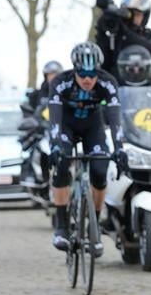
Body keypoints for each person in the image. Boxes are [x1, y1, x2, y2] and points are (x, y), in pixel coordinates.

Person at [48, 42, 128, 255]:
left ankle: (94, 225)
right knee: (62, 165)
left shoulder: (108, 82)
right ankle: (62, 226)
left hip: (93, 126)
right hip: (66, 125)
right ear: (74, 70)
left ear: (98, 72)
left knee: (100, 172)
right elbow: (54, 119)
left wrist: (119, 148)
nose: (87, 79)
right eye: (82, 74)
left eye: (92, 74)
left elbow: (114, 118)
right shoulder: (60, 82)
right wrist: (55, 146)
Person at [95, 0, 151, 81]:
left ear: (145, 16)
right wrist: (102, 33)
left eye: (137, 14)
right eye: (130, 13)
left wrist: (125, 32)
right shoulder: (114, 36)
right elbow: (103, 64)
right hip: (117, 90)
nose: (133, 18)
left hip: (146, 90)